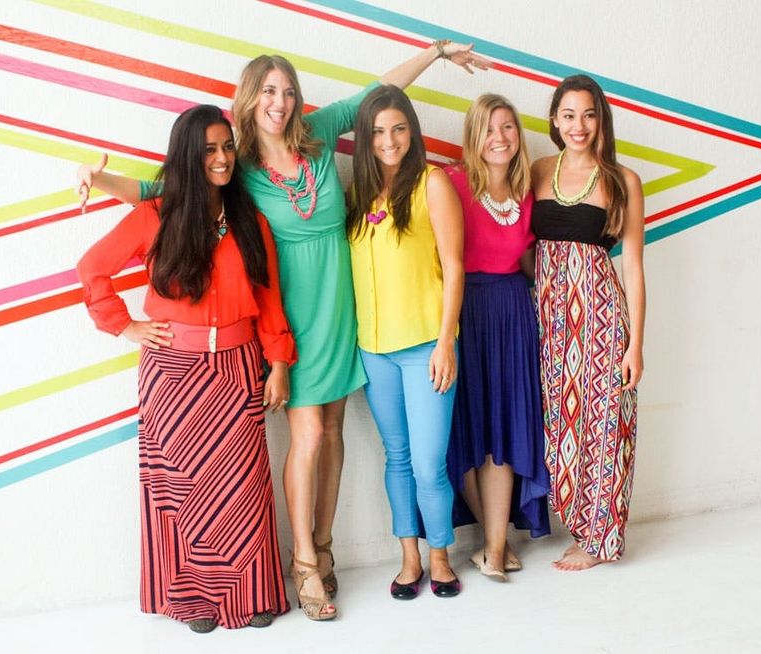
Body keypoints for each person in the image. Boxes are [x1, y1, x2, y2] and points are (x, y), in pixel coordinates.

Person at [75, 43, 489, 619]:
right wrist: (101, 181)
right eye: (269, 91)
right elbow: (161, 192)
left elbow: (377, 94)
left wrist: (435, 53)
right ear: (251, 98)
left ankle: (324, 544)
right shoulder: (237, 163)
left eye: (288, 91)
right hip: (287, 311)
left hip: (342, 305)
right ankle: (304, 564)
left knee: (335, 431)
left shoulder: (317, 133)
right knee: (309, 435)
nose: (280, 101)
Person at [76, 105, 296, 632]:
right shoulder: (156, 216)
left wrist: (279, 363)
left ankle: (251, 594)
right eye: (209, 150)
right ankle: (192, 600)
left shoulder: (251, 222)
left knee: (243, 487)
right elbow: (92, 267)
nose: (221, 158)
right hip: (172, 373)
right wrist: (124, 325)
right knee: (180, 491)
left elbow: (269, 299)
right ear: (187, 157)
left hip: (239, 368)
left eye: (227, 147)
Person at [347, 85, 464, 599]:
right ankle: (409, 557)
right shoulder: (359, 195)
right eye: (378, 131)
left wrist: (446, 343)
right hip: (374, 350)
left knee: (427, 463)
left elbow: (455, 266)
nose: (389, 140)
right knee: (396, 457)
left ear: (412, 132)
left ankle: (440, 556)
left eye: (398, 128)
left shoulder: (432, 183)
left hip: (425, 348)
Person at [530, 74, 645, 571]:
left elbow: (633, 267)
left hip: (601, 320)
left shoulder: (622, 180)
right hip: (549, 323)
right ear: (555, 120)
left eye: (589, 115)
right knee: (561, 427)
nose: (579, 125)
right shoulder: (538, 170)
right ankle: (580, 525)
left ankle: (601, 540)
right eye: (569, 115)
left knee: (605, 426)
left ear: (602, 121)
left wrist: (635, 344)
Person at [445, 94, 550, 582]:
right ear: (474, 136)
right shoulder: (452, 183)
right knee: (468, 429)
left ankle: (492, 548)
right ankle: (494, 543)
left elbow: (528, 263)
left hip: (512, 314)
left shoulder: (527, 192)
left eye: (507, 127)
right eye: (489, 128)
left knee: (505, 430)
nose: (499, 137)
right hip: (465, 310)